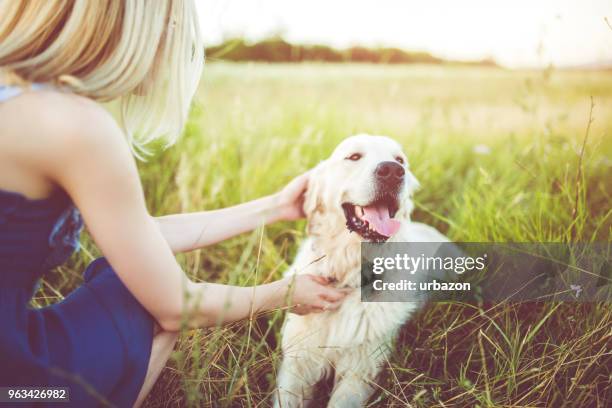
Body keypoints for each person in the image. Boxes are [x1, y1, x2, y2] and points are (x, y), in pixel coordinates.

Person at [0, 1, 348, 406]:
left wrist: (275, 206)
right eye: (171, 28)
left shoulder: (17, 97)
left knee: (133, 275)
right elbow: (176, 307)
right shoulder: (74, 126)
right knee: (140, 299)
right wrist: (283, 293)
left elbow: (144, 235)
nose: (170, 51)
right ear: (133, 27)